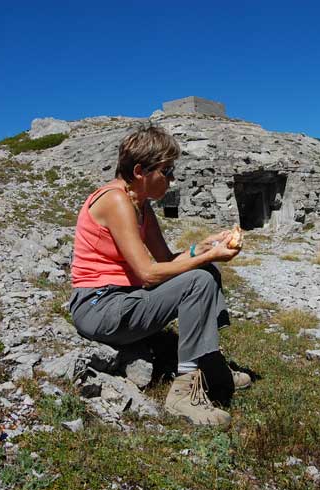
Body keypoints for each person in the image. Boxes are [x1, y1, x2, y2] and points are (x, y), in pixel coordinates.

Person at [68, 124, 251, 427]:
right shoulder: (115, 200)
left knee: (205, 270)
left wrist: (201, 249)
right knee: (200, 277)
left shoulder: (141, 205)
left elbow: (165, 259)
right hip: (98, 306)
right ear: (140, 171)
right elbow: (148, 273)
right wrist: (206, 257)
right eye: (166, 171)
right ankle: (183, 392)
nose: (171, 179)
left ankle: (209, 363)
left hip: (125, 298)